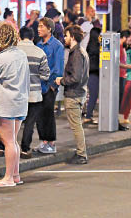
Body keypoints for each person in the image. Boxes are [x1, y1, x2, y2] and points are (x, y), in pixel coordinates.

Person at [0, 23, 30, 187]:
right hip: (20, 101)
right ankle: (15, 175)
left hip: (5, 103)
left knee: (8, 142)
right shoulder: (21, 55)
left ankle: (9, 177)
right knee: (13, 140)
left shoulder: (1, 58)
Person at [55, 25, 89, 164]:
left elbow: (75, 77)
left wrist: (61, 81)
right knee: (77, 125)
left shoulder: (76, 54)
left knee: (76, 126)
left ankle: (81, 154)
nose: (64, 38)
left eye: (66, 35)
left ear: (73, 37)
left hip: (74, 94)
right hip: (78, 93)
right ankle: (80, 153)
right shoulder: (80, 52)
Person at [18, 27, 50, 159]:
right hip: (34, 93)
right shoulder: (39, 52)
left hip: (17, 94)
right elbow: (46, 75)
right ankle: (25, 148)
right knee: (30, 123)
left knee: (12, 122)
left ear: (19, 36)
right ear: (32, 38)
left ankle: (7, 147)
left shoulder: (14, 51)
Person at [35, 17, 64, 154]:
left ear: (49, 29)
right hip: (38, 86)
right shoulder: (38, 45)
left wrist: (52, 85)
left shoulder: (57, 46)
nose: (39, 29)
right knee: (39, 114)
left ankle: (51, 142)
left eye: (42, 26)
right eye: (38, 26)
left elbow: (58, 68)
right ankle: (43, 141)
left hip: (49, 86)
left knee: (48, 114)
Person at [84, 27, 102, 124]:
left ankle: (88, 115)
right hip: (94, 73)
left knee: (92, 95)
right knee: (93, 95)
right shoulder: (96, 47)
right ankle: (88, 116)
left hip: (90, 73)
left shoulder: (90, 45)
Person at [118, 30, 131, 131]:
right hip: (119, 76)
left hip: (122, 76)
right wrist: (127, 66)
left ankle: (117, 121)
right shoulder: (118, 47)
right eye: (128, 40)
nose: (129, 43)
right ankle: (116, 122)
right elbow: (116, 62)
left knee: (121, 100)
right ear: (123, 37)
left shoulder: (123, 48)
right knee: (118, 100)